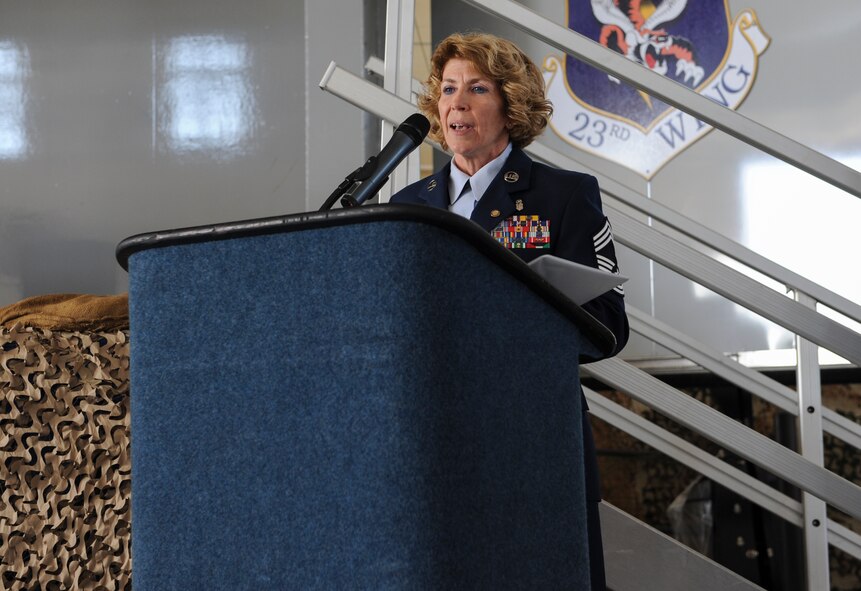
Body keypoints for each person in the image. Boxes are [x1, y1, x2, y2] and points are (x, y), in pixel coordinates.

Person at [390, 32, 629, 590]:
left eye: (477, 88)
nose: (457, 103)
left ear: (511, 103)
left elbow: (609, 329)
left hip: (533, 431)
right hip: (434, 433)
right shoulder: (407, 206)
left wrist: (529, 311)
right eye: (448, 89)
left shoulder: (563, 195)